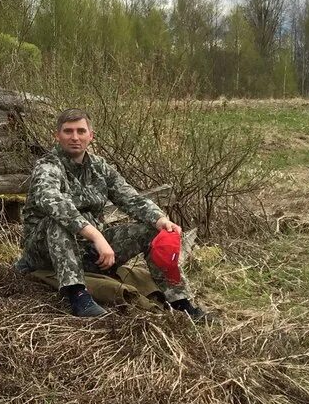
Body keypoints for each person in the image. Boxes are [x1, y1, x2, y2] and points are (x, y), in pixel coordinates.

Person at [15, 108, 210, 321]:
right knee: (58, 222)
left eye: (81, 131)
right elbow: (53, 202)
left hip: (86, 250)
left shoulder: (100, 167)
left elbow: (130, 198)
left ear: (91, 136)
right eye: (68, 131)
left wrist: (160, 219)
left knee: (153, 231)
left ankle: (179, 303)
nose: (75, 137)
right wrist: (97, 237)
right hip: (44, 253)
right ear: (57, 136)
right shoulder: (48, 166)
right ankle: (79, 297)